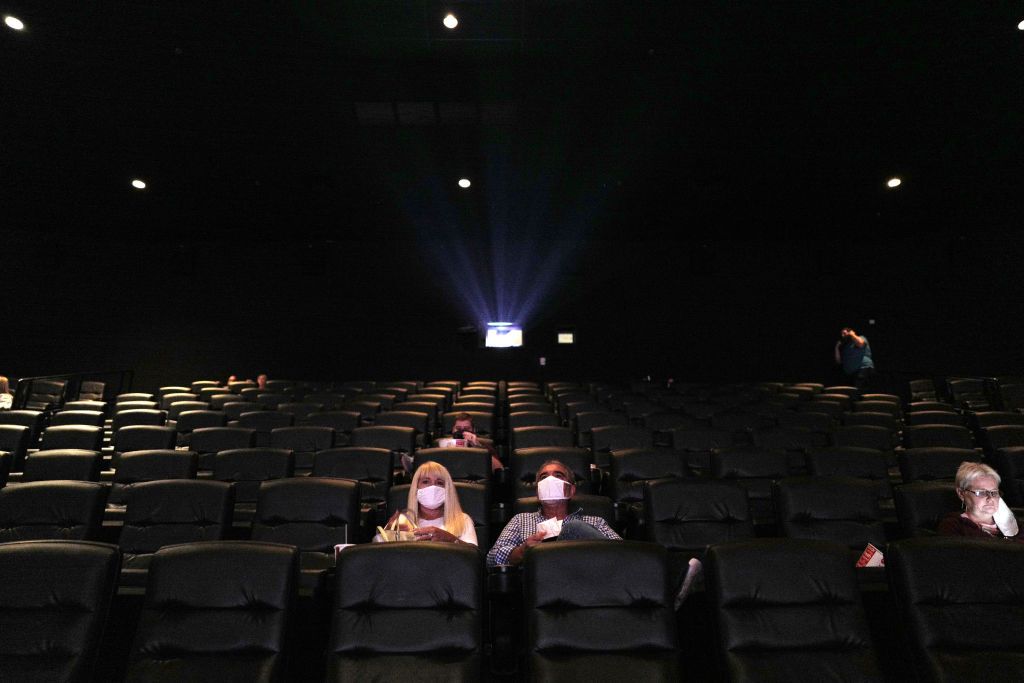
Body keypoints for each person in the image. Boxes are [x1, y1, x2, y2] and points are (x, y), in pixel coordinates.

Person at [486, 459, 620, 566]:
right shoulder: (520, 520)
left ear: (571, 490)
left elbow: (623, 552)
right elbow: (492, 558)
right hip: (545, 585)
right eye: (544, 477)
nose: (550, 481)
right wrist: (522, 551)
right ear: (538, 492)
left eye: (558, 476)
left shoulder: (595, 522)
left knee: (574, 527)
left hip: (590, 579)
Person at [378, 461, 478, 545]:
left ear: (447, 489)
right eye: (426, 482)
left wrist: (451, 540)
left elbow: (474, 557)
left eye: (439, 483)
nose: (433, 487)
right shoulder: (403, 522)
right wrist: (390, 535)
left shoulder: (463, 520)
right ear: (416, 488)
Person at [938, 461, 1022, 541]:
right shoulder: (952, 526)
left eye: (994, 492)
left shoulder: (1011, 520)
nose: (990, 498)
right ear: (961, 494)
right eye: (981, 493)